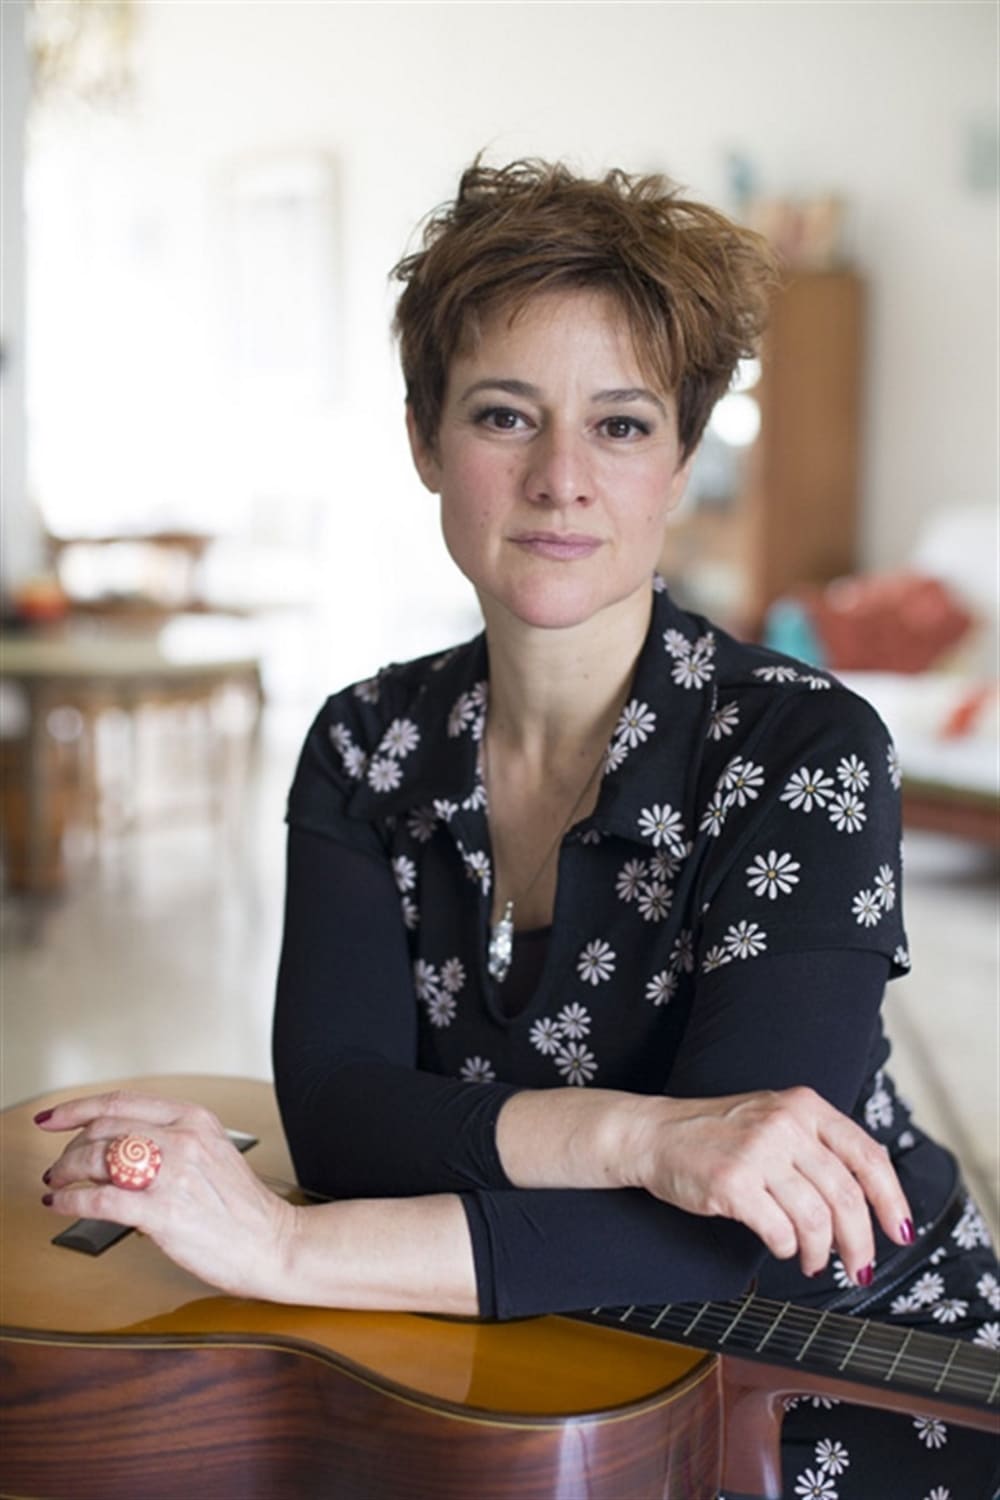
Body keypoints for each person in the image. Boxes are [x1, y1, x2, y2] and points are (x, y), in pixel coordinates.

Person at [38, 159, 999, 1498]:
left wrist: (289, 1250)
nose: (561, 479)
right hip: (533, 1346)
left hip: (841, 1354)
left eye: (620, 425)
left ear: (679, 463)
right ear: (426, 441)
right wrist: (644, 1142)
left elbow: (746, 1231)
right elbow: (342, 1120)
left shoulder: (805, 750)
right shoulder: (365, 742)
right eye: (505, 416)